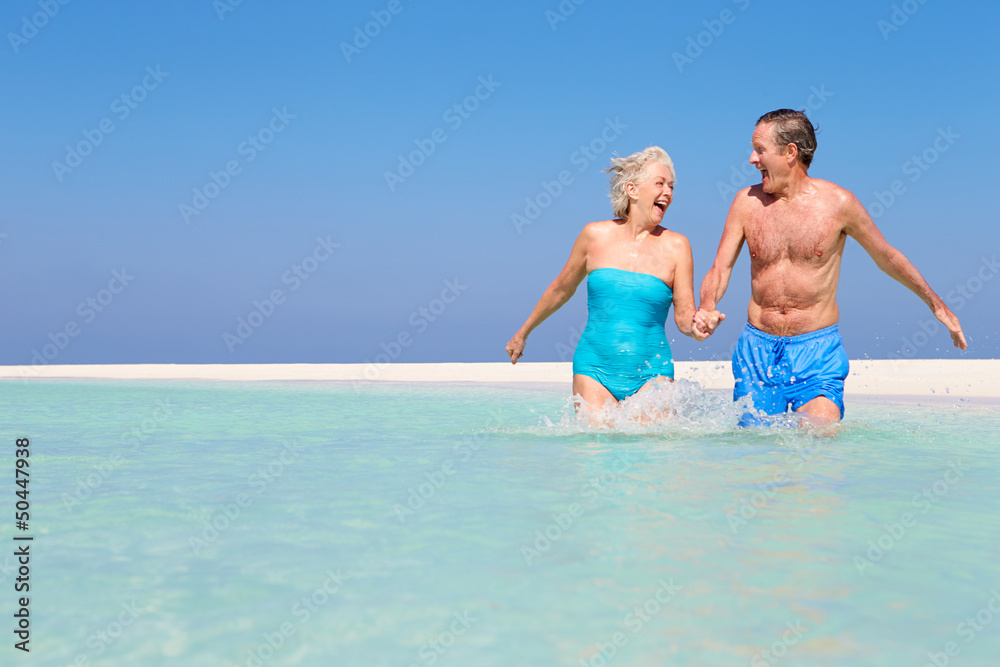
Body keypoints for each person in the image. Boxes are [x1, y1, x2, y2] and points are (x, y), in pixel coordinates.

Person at [696, 109, 967, 426]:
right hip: (757, 351)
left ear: (790, 153)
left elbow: (886, 257)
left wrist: (937, 305)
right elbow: (720, 268)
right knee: (757, 450)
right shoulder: (746, 202)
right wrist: (707, 305)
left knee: (820, 430)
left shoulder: (839, 204)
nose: (752, 160)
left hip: (816, 350)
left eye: (759, 150)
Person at [506, 147, 719, 413]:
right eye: (660, 184)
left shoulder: (677, 246)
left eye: (672, 187)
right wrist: (523, 333)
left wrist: (699, 327)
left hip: (652, 375)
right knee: (598, 450)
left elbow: (684, 318)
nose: (668, 193)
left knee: (651, 453)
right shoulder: (594, 235)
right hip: (593, 370)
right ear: (632, 190)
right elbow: (561, 289)